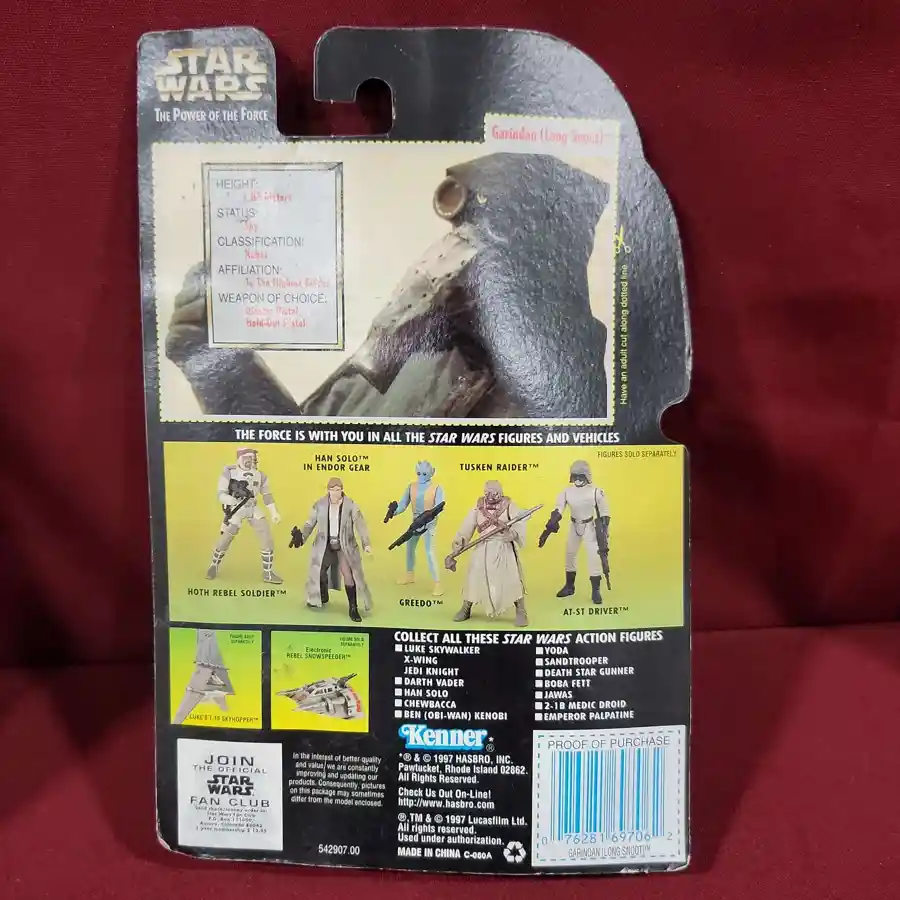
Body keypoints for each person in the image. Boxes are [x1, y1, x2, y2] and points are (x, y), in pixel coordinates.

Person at [446, 480, 528, 627]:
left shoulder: (509, 506)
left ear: (500, 493)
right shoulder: (478, 507)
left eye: (493, 493)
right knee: (473, 577)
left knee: (511, 578)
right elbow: (467, 525)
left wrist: (513, 534)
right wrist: (459, 543)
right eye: (487, 493)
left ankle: (521, 611)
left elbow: (519, 522)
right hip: (482, 547)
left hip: (503, 547)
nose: (490, 496)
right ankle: (466, 608)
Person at [291, 477, 372, 623]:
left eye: (338, 490)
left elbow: (361, 525)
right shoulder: (320, 505)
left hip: (344, 545)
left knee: (348, 574)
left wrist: (366, 543)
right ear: (328, 490)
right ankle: (322, 595)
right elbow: (310, 523)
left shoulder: (350, 505)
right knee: (319, 571)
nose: (335, 493)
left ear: (342, 490)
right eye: (332, 490)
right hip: (325, 544)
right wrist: (301, 538)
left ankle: (353, 607)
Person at [206, 447, 282, 584]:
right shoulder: (230, 472)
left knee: (266, 535)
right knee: (226, 537)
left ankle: (268, 572)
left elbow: (267, 495)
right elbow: (221, 493)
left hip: (252, 507)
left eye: (253, 458)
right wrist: (228, 500)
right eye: (247, 457)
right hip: (236, 508)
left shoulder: (260, 475)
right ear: (240, 458)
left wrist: (274, 512)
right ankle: (214, 564)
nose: (251, 460)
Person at [539, 460, 610, 604]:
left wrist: (604, 529)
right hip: (574, 526)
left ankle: (595, 590)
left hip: (590, 527)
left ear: (587, 476)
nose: (577, 479)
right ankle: (569, 586)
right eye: (575, 476)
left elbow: (604, 512)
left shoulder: (596, 491)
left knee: (594, 557)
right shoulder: (566, 492)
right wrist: (549, 527)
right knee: (570, 555)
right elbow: (558, 510)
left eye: (581, 476)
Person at [385, 460, 445, 596]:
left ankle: (438, 583)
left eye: (424, 473)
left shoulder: (437, 488)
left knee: (430, 552)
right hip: (415, 523)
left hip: (429, 523)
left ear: (432, 472)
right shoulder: (411, 487)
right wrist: (394, 512)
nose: (421, 476)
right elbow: (403, 504)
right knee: (410, 547)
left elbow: (440, 506)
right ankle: (409, 574)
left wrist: (429, 517)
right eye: (419, 473)